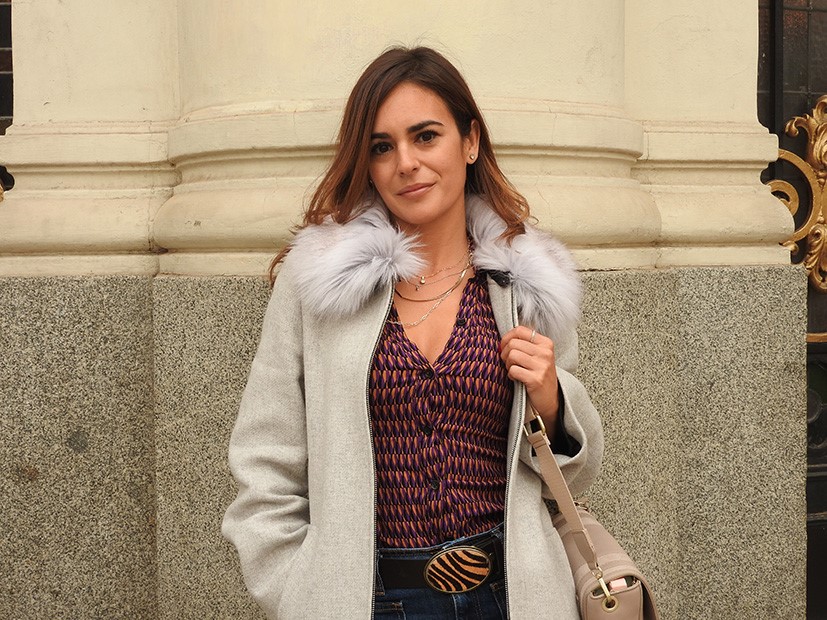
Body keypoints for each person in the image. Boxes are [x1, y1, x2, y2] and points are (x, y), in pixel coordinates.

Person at [222, 46, 604, 619]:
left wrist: (551, 403)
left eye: (426, 136)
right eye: (382, 147)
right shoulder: (317, 285)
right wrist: (297, 590)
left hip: (511, 598)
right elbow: (265, 457)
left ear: (469, 141)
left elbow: (570, 482)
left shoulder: (525, 287)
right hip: (370, 602)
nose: (406, 162)